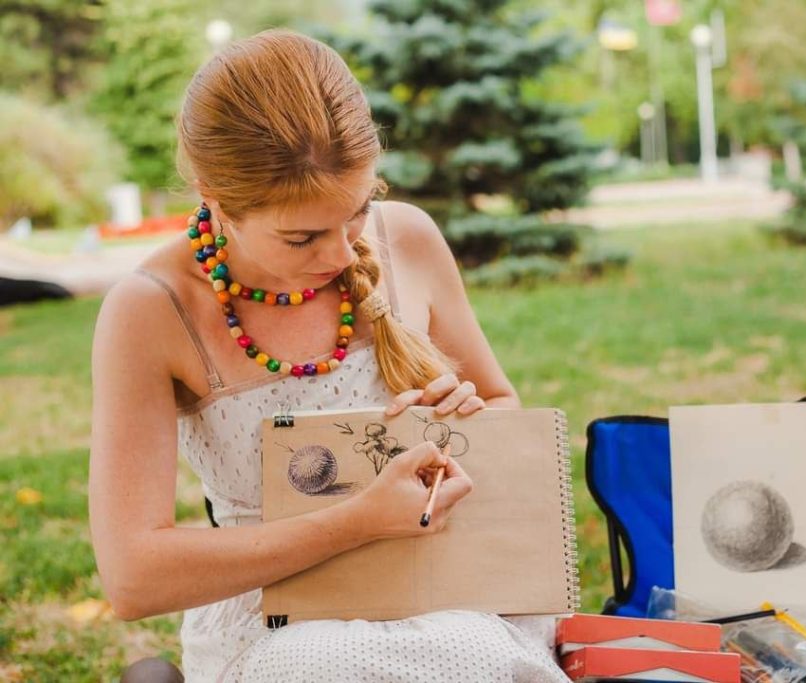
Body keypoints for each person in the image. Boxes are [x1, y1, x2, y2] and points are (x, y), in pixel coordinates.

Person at [88, 28, 569, 683]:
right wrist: (356, 522)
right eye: (301, 236)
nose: (343, 253)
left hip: (441, 578)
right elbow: (133, 575)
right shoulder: (152, 308)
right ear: (214, 198)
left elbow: (502, 404)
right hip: (277, 616)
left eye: (359, 209)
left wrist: (465, 421)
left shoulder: (409, 238)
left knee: (476, 650)